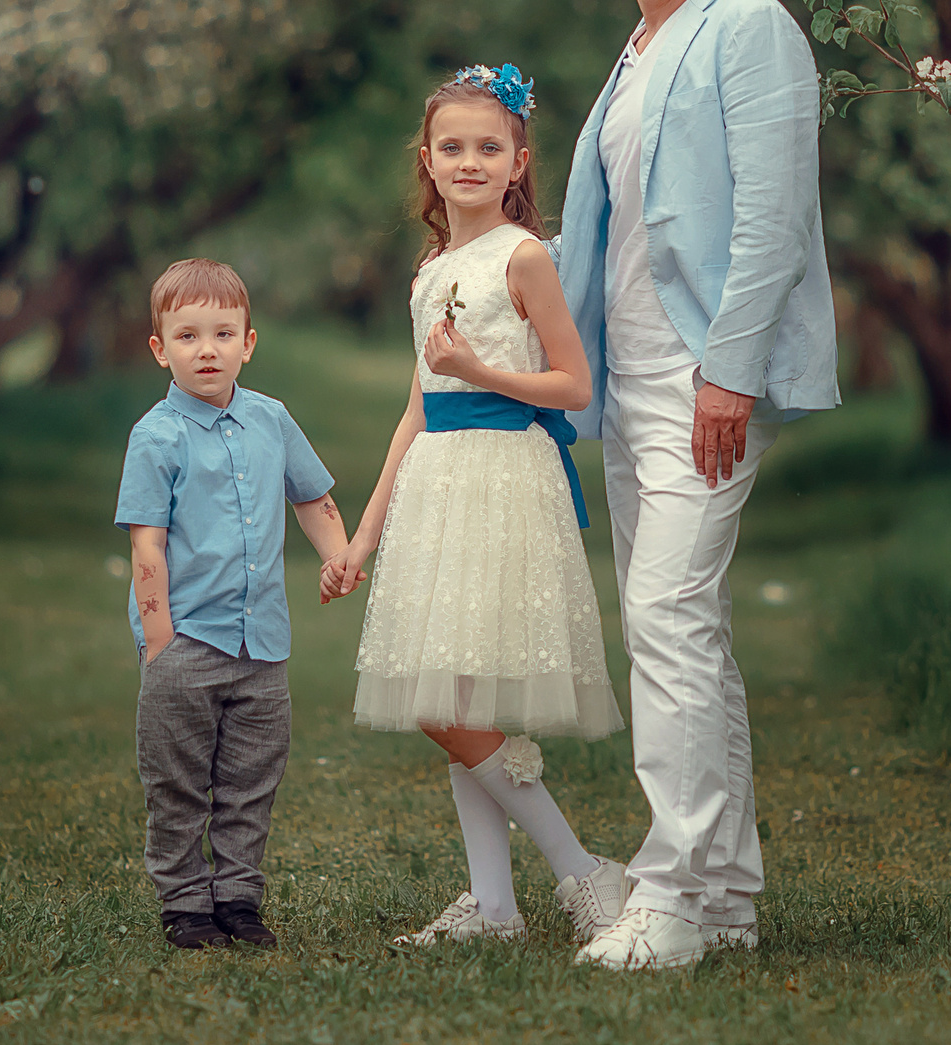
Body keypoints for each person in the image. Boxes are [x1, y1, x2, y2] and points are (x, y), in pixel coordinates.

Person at [556, 0, 840, 971]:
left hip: (699, 374)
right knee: (691, 630)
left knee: (665, 615)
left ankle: (669, 891)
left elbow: (771, 220)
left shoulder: (750, 28)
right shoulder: (635, 51)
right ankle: (724, 898)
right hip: (630, 378)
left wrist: (727, 372)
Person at [323, 66, 633, 947]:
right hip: (438, 482)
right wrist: (364, 535)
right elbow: (418, 405)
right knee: (450, 689)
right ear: (427, 159)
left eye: (488, 147)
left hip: (503, 475)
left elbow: (572, 384)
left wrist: (480, 372)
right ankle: (495, 905)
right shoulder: (432, 268)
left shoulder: (522, 256)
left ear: (518, 161)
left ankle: (580, 870)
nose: (469, 161)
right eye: (452, 146)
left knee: (449, 699)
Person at [117, 257, 348, 950]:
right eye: (187, 336)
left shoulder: (270, 419)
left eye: (223, 333)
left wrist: (335, 553)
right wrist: (159, 641)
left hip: (262, 645)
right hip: (186, 642)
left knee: (250, 779)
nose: (207, 348)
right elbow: (146, 547)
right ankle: (186, 902)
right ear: (160, 349)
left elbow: (311, 496)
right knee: (180, 781)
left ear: (249, 341)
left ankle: (239, 897)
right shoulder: (156, 437)